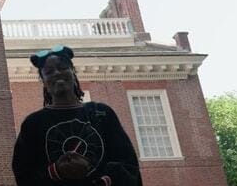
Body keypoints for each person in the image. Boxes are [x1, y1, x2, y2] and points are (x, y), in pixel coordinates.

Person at [11, 45, 142, 186]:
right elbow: (24, 173)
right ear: (44, 82)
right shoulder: (33, 124)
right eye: (49, 72)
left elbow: (128, 164)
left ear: (73, 72)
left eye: (62, 68)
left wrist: (103, 181)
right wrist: (56, 171)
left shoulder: (102, 114)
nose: (57, 73)